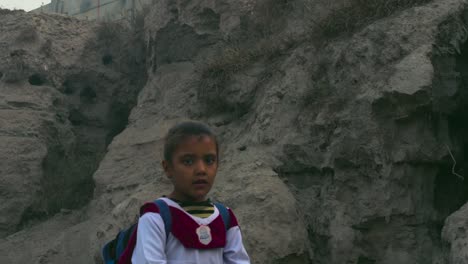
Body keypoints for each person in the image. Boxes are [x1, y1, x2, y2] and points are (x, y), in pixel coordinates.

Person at [130, 121, 250, 264]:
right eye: (188, 161)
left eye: (209, 160)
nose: (201, 170)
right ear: (168, 168)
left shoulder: (225, 218)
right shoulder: (156, 218)